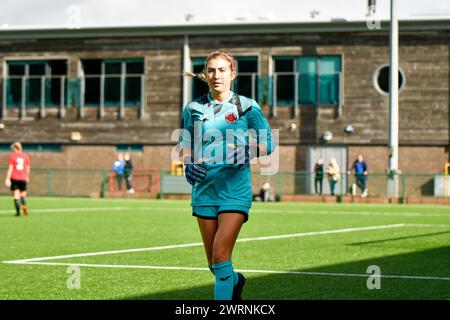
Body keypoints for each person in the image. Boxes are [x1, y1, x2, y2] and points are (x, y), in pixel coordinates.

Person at [180, 50, 275, 300]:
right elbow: (185, 144)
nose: (216, 75)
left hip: (235, 190)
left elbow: (268, 142)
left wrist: (250, 150)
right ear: (205, 74)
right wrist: (187, 163)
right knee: (215, 265)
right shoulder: (192, 108)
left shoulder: (247, 106)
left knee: (221, 256)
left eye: (222, 70)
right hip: (204, 191)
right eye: (211, 70)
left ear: (232, 73)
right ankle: (235, 281)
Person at [4, 142, 30, 217]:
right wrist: (27, 176)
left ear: (15, 148)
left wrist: (7, 178)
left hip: (14, 178)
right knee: (23, 195)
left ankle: (18, 212)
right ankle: (24, 207)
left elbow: (10, 168)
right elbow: (28, 168)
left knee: (16, 195)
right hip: (23, 178)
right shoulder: (25, 156)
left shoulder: (12, 156)